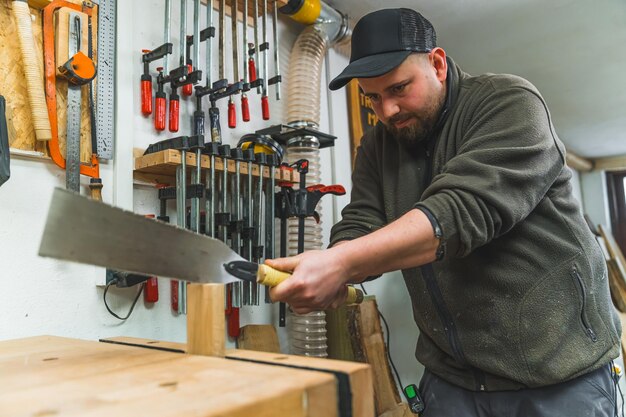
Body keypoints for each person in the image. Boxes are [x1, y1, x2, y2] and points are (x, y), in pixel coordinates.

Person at [266, 7, 622, 417]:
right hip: (451, 379)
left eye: (399, 88)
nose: (388, 111)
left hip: (557, 375)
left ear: (436, 63)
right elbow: (362, 219)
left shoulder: (508, 102)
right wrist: (332, 261)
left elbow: (459, 212)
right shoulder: (377, 145)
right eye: (373, 97)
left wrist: (341, 263)